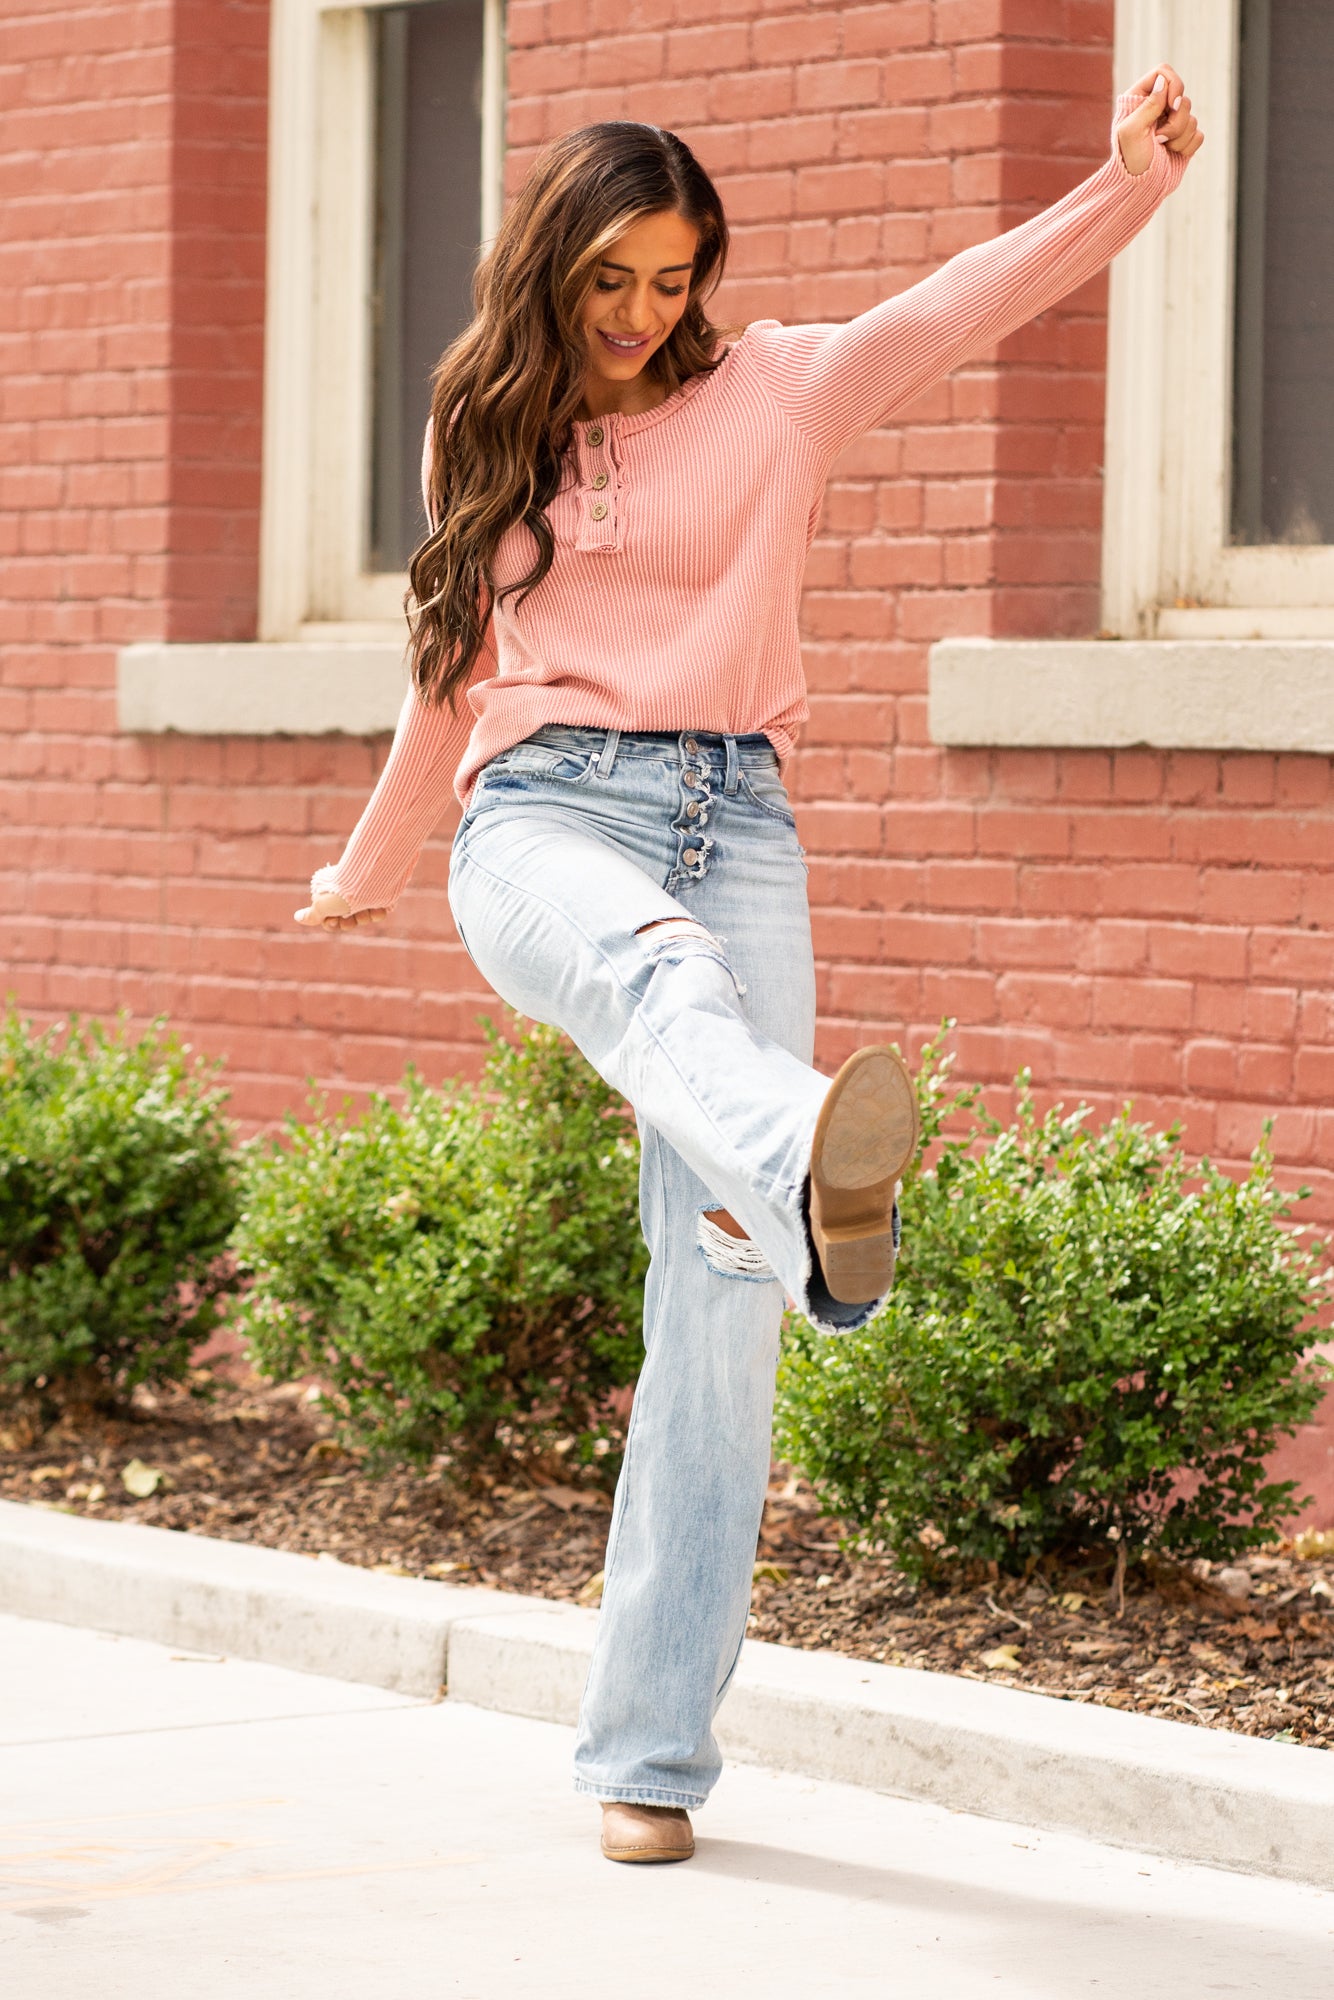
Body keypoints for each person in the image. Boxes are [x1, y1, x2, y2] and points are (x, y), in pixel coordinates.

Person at [296, 65, 1202, 1863]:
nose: (641, 312)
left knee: (715, 1308)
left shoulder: (775, 385)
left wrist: (1125, 186)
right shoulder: (482, 417)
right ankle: (802, 1161)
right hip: (539, 820)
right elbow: (448, 667)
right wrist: (374, 864)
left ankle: (646, 1755)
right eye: (609, 279)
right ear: (549, 266)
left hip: (740, 823)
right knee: (664, 988)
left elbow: (959, 302)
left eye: (672, 277)